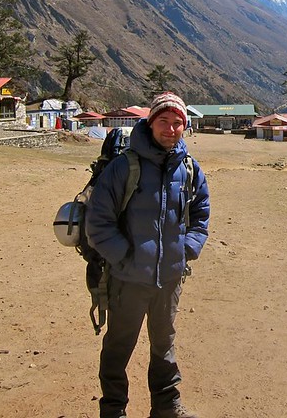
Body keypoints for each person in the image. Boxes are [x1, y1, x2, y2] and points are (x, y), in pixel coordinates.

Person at [86, 91, 210, 418]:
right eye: (164, 121)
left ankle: (167, 407)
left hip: (169, 280)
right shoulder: (123, 168)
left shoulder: (189, 169)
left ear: (186, 127)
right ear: (151, 122)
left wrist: (187, 249)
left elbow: (201, 213)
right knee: (118, 348)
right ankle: (113, 410)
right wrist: (124, 257)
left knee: (164, 346)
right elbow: (98, 221)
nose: (171, 129)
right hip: (127, 280)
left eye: (178, 123)